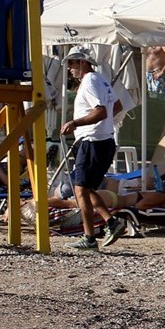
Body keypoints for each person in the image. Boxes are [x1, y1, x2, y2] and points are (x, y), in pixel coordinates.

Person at [58, 48, 125, 250]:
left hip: (92, 142)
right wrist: (102, 125)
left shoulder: (89, 81)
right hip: (104, 140)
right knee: (86, 189)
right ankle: (111, 222)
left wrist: (75, 123)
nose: (69, 69)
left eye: (71, 64)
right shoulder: (100, 79)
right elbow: (118, 105)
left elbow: (101, 111)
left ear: (81, 63)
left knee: (80, 190)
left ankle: (89, 238)